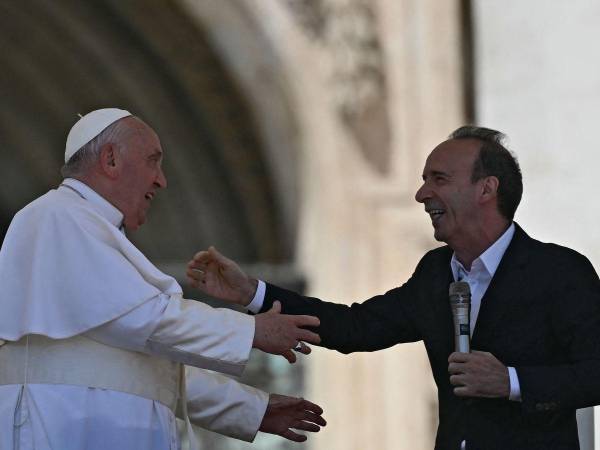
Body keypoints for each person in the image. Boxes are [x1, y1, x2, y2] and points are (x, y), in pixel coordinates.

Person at [187, 126, 600, 450]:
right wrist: (252, 294)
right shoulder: (436, 272)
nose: (423, 194)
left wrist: (510, 381)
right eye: (424, 180)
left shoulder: (560, 272)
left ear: (486, 189)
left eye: (438, 179)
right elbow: (355, 326)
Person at [0, 108, 326, 450]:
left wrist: (252, 409)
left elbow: (155, 368)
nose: (161, 180)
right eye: (152, 161)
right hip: (68, 426)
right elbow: (147, 320)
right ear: (110, 159)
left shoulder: (91, 228)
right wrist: (252, 331)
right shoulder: (57, 216)